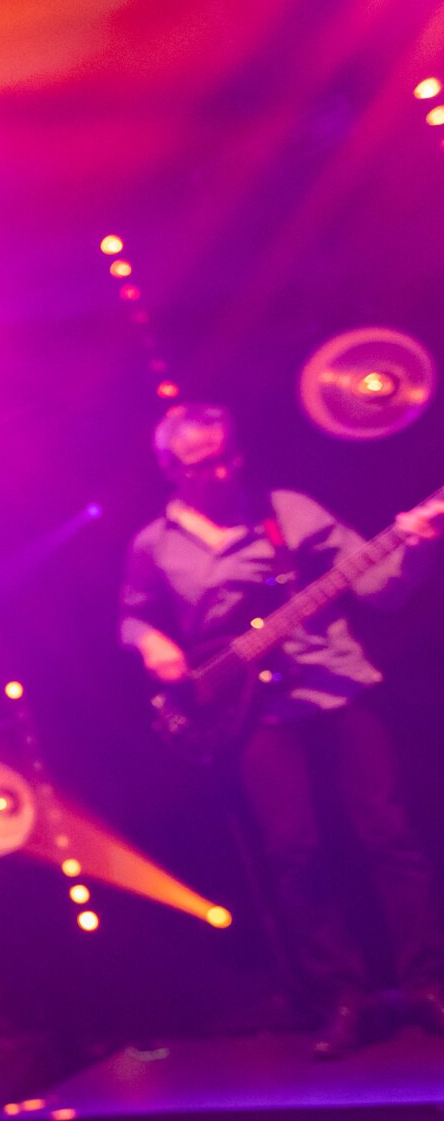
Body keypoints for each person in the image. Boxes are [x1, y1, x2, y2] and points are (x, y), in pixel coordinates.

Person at [119, 402, 444, 1056]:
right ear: (170, 469)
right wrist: (152, 643)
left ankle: (428, 984)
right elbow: (132, 617)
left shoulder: (288, 510)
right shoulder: (153, 546)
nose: (221, 473)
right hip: (248, 709)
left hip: (337, 683)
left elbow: (379, 589)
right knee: (295, 852)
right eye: (202, 465)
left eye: (227, 457)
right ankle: (342, 998)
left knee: (388, 831)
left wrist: (417, 545)